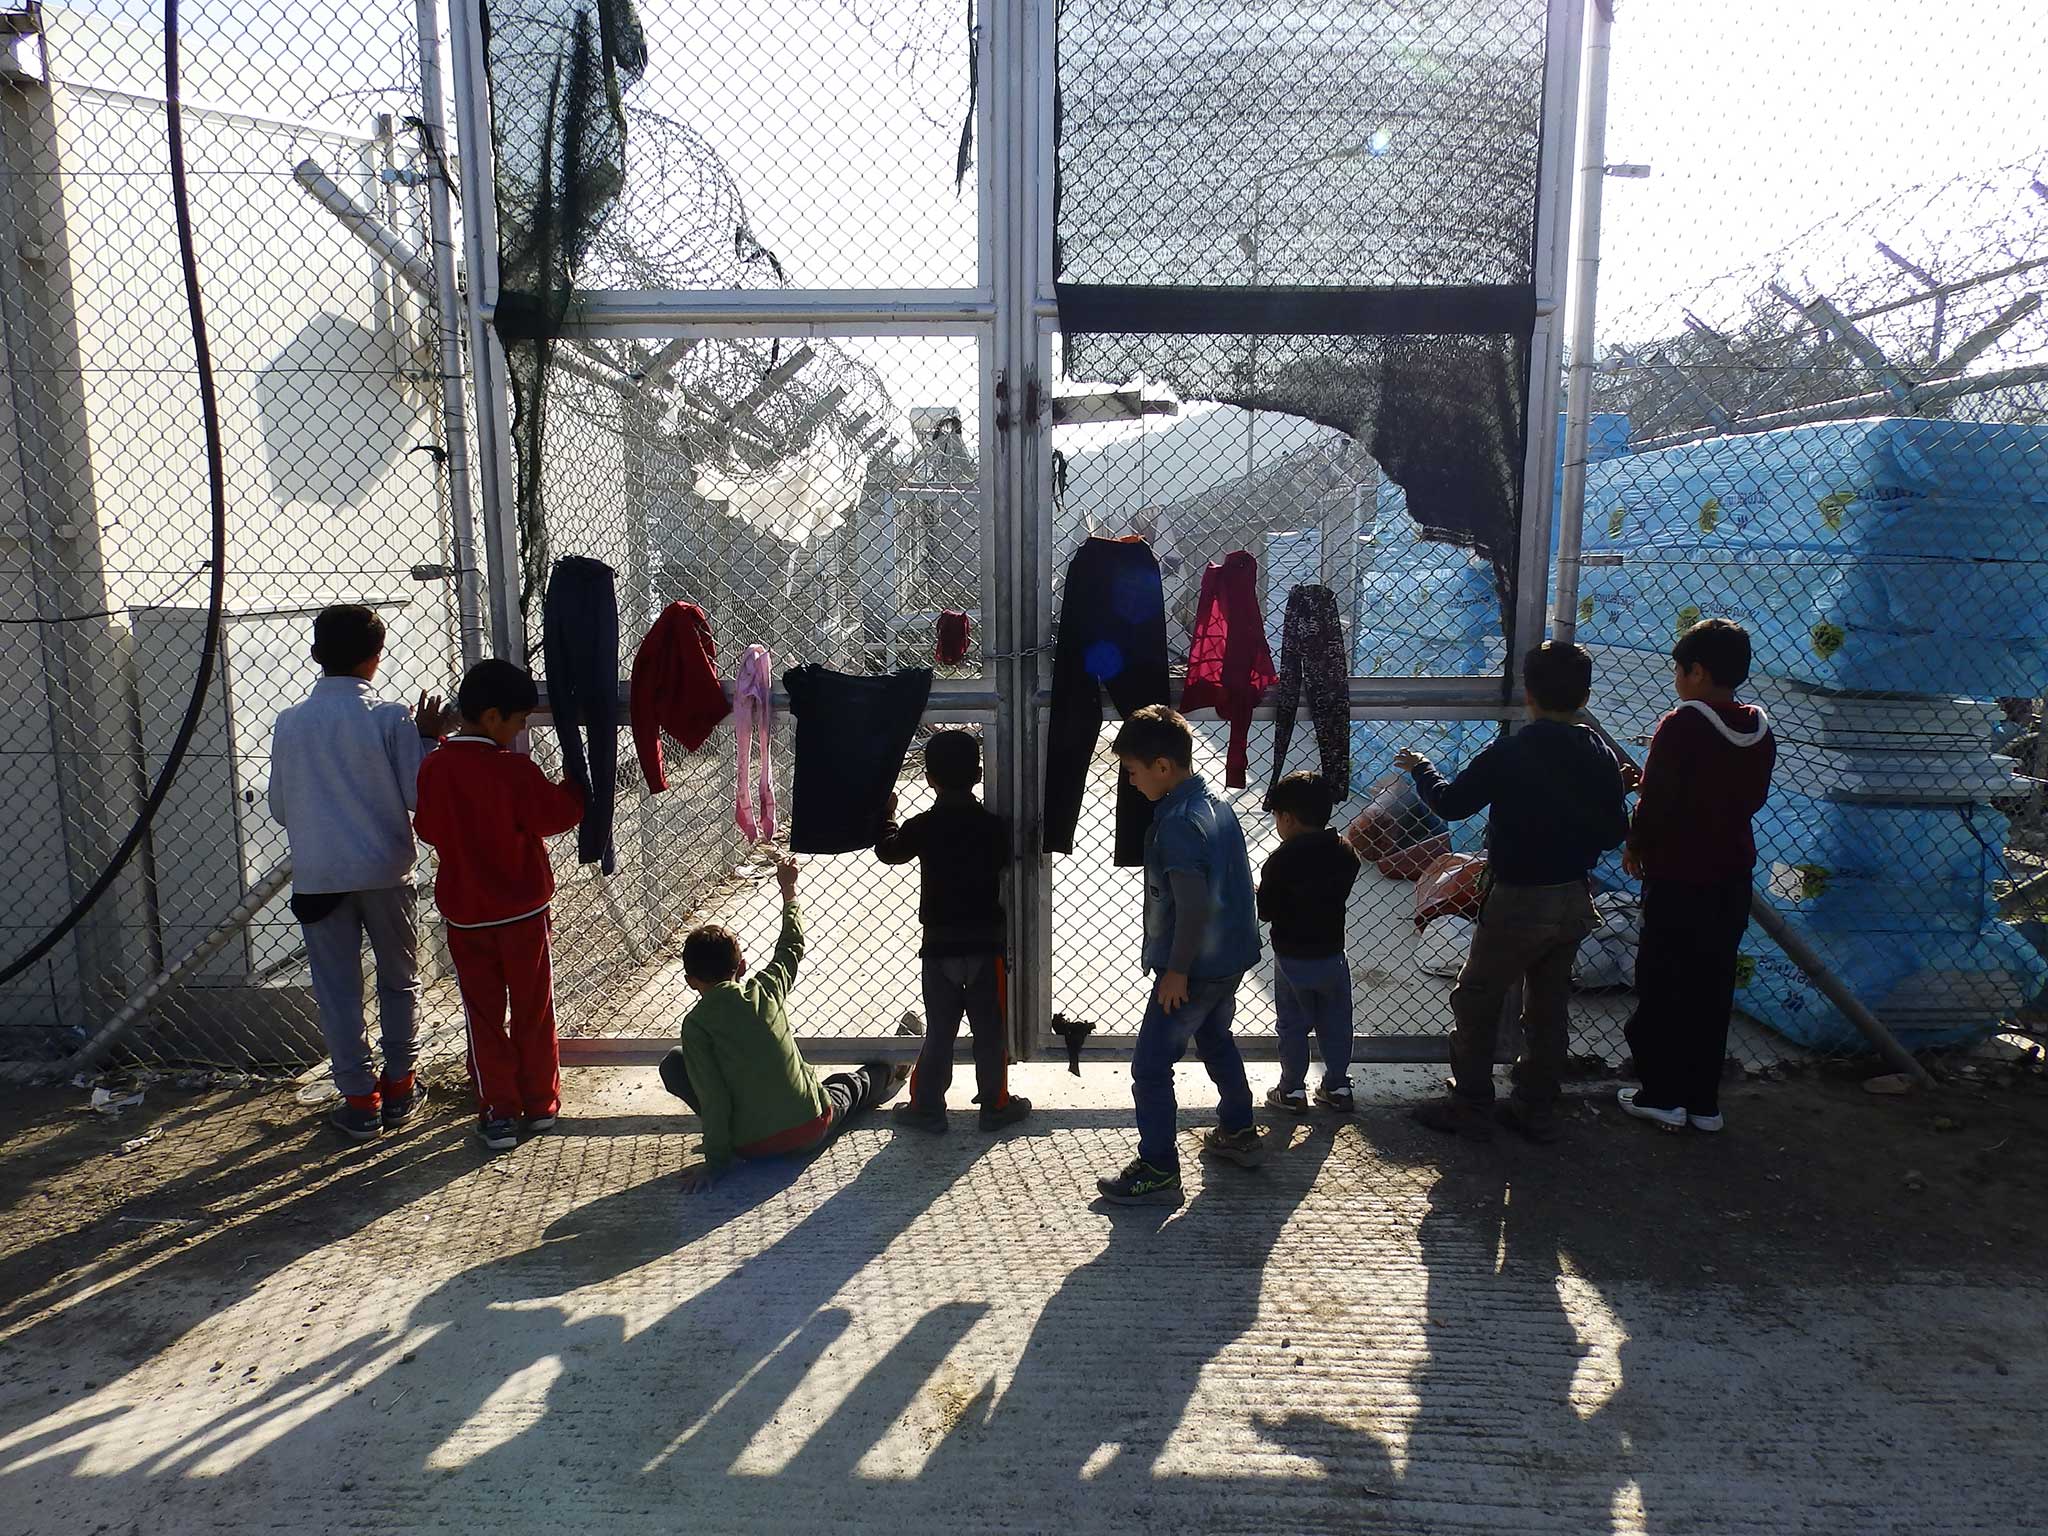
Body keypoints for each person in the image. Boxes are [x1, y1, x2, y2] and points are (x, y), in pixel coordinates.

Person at [1394, 642, 1628, 1144]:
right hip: (1571, 895)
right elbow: (1613, 832)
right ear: (1585, 695)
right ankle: (1536, 1105)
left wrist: (1421, 768)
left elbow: (1452, 804)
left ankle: (1471, 1101)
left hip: (1519, 897)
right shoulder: (1598, 751)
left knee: (1477, 997)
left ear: (1528, 694)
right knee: (1548, 1005)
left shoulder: (1513, 751)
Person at [268, 604, 454, 1142]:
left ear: (315, 655)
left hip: (320, 875)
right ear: (376, 658)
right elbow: (420, 795)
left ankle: (359, 1098)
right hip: (386, 870)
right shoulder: (391, 716)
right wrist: (426, 740)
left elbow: (280, 807)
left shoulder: (290, 722)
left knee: (338, 989)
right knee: (399, 982)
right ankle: (401, 1084)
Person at [413, 658, 585, 1152]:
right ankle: (540, 1102)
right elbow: (556, 815)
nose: (519, 730)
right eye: (518, 721)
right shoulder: (513, 770)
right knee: (533, 1006)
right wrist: (577, 787)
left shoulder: (436, 766)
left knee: (482, 1013)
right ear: (492, 717)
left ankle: (498, 1109)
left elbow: (427, 827)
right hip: (522, 912)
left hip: (465, 913)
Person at [1096, 705, 1265, 1205]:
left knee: (1150, 1067)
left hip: (1195, 965)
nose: (1129, 782)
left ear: (1163, 767)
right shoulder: (1215, 802)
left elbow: (1191, 908)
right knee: (1214, 1037)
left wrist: (1176, 972)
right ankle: (1237, 1130)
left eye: (1132, 771)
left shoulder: (1176, 823)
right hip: (1231, 957)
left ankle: (1158, 1169)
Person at [661, 855, 909, 1192]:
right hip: (810, 1126)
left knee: (675, 1064)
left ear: (691, 980)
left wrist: (717, 1163)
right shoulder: (767, 988)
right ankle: (891, 1068)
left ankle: (740, 1133)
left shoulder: (696, 1025)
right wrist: (788, 889)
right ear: (743, 966)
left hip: (749, 1147)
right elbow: (791, 945)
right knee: (849, 1086)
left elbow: (714, 1097)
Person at [1618, 618, 1775, 1133]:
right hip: (1731, 871)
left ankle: (1661, 1094)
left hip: (1678, 871)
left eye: (1679, 670)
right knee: (1712, 985)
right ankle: (1703, 1102)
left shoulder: (1682, 723)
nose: (1677, 680)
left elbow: (1661, 800)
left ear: (1698, 671)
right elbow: (1744, 795)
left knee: (1664, 982)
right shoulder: (1758, 727)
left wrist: (1637, 842)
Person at [874, 729, 1031, 1133]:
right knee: (989, 1029)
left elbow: (889, 851)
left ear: (929, 779)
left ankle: (928, 1106)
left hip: (940, 946)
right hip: (985, 944)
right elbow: (1003, 860)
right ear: (979, 774)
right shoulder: (993, 827)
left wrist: (886, 815)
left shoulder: (922, 825)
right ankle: (995, 1105)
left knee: (940, 1029)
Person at [1257, 771, 1362, 1115]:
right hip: (1332, 953)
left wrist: (1259, 892)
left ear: (1286, 818)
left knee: (1293, 1023)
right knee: (1336, 1020)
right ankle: (1338, 1084)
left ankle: (1291, 1089)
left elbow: (1267, 910)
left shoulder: (1281, 860)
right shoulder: (1345, 852)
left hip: (1292, 957)